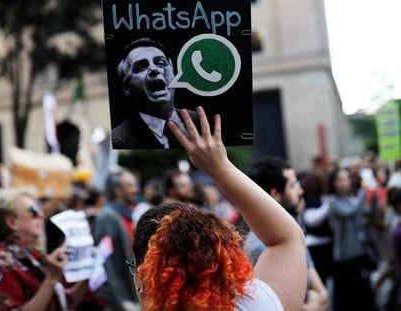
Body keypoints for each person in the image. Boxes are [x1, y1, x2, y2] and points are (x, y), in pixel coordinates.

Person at [128, 107, 307, 310]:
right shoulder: (256, 304)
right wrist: (220, 167)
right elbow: (287, 239)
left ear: (144, 279)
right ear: (226, 259)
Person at [242, 157, 329, 311]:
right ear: (276, 194)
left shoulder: (292, 233)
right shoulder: (261, 248)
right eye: (293, 185)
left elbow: (322, 293)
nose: (300, 190)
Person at [0, 188, 88, 310]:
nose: (41, 214)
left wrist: (88, 271)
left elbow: (64, 302)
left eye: (40, 209)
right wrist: (50, 279)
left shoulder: (33, 255)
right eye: (34, 211)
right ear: (12, 222)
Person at [112, 38, 201, 149]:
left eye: (160, 63)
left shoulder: (204, 122)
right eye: (141, 66)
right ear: (126, 87)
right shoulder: (118, 140)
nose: (154, 69)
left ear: (174, 73)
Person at [328, 168, 377, 311]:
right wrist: (363, 193)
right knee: (349, 298)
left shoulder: (351, 199)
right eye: (340, 179)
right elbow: (349, 212)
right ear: (334, 183)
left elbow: (366, 214)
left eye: (346, 178)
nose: (344, 182)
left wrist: (373, 196)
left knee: (364, 293)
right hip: (345, 258)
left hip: (359, 253)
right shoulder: (333, 202)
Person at [92, 171, 140, 311]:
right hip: (118, 301)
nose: (135, 189)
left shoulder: (125, 215)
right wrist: (120, 300)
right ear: (118, 191)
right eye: (130, 186)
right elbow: (105, 261)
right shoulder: (108, 217)